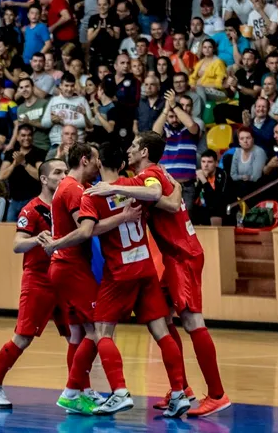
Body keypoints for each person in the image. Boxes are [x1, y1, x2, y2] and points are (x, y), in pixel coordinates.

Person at [85, 132, 231, 417]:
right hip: (172, 255)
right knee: (162, 320)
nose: (129, 150)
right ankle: (182, 389)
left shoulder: (148, 176)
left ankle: (217, 394)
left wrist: (117, 190)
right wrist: (174, 186)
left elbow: (161, 198)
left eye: (134, 146)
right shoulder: (151, 175)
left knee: (191, 320)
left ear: (145, 152)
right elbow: (167, 198)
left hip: (182, 255)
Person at [50, 143, 192, 417]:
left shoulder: (93, 195)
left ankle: (119, 391)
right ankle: (179, 392)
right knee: (161, 331)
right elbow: (160, 197)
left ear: (99, 162)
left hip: (120, 273)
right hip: (146, 268)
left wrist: (55, 243)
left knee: (102, 332)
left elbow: (87, 230)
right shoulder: (136, 184)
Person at [42, 143, 127, 415]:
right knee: (97, 329)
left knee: (78, 333)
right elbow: (86, 230)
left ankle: (78, 392)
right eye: (96, 160)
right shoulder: (74, 190)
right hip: (72, 267)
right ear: (84, 160)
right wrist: (123, 217)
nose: (98, 166)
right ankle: (71, 392)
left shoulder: (65, 187)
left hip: (64, 267)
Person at [0, 159, 72, 409]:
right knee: (23, 337)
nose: (64, 175)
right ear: (44, 179)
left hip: (63, 279)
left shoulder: (67, 205)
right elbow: (16, 244)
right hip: (39, 280)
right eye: (58, 172)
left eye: (66, 171)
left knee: (75, 335)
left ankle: (77, 390)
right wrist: (36, 239)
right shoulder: (32, 209)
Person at [152, 91, 199, 211]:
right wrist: (166, 110)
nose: (174, 120)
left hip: (187, 186)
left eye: (176, 116)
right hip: (167, 186)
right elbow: (155, 133)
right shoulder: (164, 131)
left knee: (186, 222)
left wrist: (174, 106)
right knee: (167, 222)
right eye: (171, 117)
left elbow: (191, 125)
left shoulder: (191, 129)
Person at [0, 124, 45, 221]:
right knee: (10, 230)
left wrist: (24, 163)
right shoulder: (11, 153)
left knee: (31, 230)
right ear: (17, 137)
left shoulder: (38, 152)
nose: (26, 138)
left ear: (32, 137)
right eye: (23, 135)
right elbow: (2, 176)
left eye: (29, 135)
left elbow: (41, 176)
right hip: (14, 200)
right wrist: (14, 164)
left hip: (33, 200)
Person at [191, 150, 230, 226]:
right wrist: (198, 183)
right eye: (203, 162)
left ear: (216, 163)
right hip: (202, 210)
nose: (206, 165)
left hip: (221, 211)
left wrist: (204, 181)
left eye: (209, 162)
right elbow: (194, 199)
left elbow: (217, 200)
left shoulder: (222, 175)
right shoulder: (198, 175)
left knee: (215, 211)